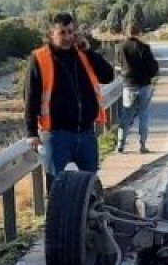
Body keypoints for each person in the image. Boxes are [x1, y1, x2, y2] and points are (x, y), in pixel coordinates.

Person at [25, 12, 115, 179]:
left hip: (86, 132)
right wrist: (31, 132)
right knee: (56, 186)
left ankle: (89, 206)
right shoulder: (39, 58)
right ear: (51, 34)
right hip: (56, 134)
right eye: (62, 33)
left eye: (70, 32)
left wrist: (89, 51)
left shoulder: (83, 54)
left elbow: (108, 76)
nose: (67, 37)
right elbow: (31, 97)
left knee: (90, 185)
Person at [115, 24, 160, 154]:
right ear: (139, 33)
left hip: (128, 85)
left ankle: (120, 144)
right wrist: (151, 75)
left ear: (126, 32)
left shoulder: (121, 48)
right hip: (144, 85)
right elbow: (152, 67)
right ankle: (142, 145)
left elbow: (119, 65)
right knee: (143, 115)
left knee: (126, 115)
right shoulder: (144, 48)